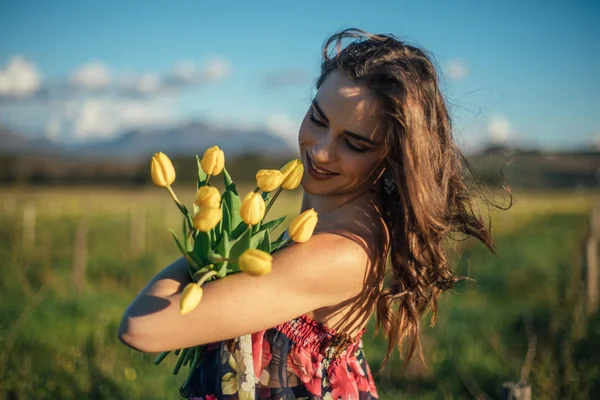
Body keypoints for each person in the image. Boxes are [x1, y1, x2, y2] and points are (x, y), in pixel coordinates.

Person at [119, 28, 499, 400]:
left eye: (353, 143)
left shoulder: (341, 251)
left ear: (394, 156)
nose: (319, 151)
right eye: (318, 119)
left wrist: (208, 238)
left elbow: (143, 328)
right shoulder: (333, 212)